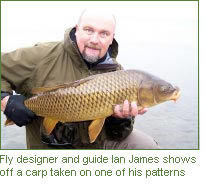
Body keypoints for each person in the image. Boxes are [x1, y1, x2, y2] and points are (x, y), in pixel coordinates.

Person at [1, 9, 159, 149]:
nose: (95, 40)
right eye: (89, 30)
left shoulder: (118, 73)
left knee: (146, 146)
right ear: (76, 30)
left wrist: (119, 120)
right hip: (49, 150)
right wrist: (5, 100)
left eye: (104, 33)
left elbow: (118, 134)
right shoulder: (42, 55)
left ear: (112, 38)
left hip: (95, 146)